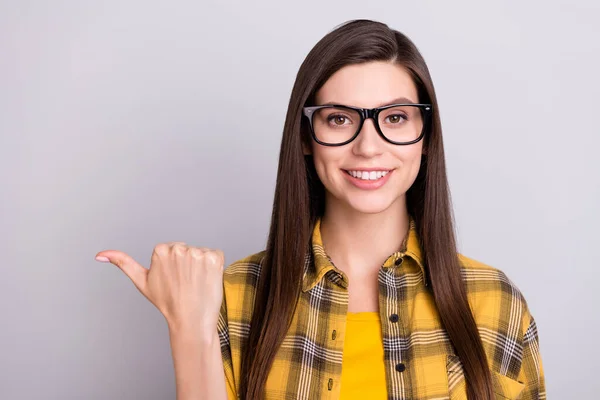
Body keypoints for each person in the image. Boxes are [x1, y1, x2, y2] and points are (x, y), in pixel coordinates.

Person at [95, 19, 545, 400]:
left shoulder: (495, 302)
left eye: (395, 118)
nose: (368, 147)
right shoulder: (231, 299)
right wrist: (189, 327)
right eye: (339, 119)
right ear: (307, 138)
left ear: (426, 137)